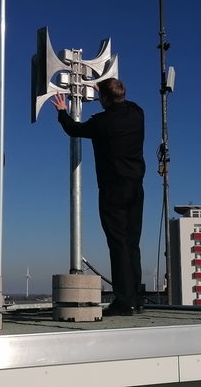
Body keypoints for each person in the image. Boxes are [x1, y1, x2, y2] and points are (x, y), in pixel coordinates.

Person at [51, 78, 145, 316]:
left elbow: (74, 129)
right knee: (132, 243)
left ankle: (125, 302)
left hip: (113, 189)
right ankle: (136, 298)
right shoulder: (137, 113)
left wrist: (62, 112)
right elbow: (118, 103)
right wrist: (103, 90)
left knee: (118, 243)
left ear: (104, 98)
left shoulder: (102, 123)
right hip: (136, 187)